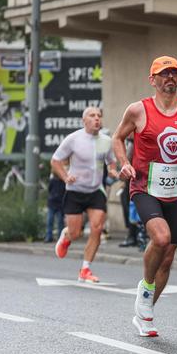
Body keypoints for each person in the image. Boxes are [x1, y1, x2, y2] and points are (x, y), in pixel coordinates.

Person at [112, 56, 177, 337]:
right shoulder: (138, 110)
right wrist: (124, 162)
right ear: (153, 79)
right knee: (160, 237)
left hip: (175, 191)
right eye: (164, 74)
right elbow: (117, 138)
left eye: (174, 74)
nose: (170, 78)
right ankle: (146, 287)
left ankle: (145, 316)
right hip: (144, 186)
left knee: (168, 257)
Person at [51, 107, 117, 283]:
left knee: (96, 228)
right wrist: (66, 176)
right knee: (76, 233)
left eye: (99, 116)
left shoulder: (106, 141)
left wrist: (112, 171)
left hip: (96, 190)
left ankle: (85, 269)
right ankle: (66, 235)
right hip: (75, 191)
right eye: (92, 116)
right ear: (84, 120)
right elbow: (55, 161)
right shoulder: (73, 139)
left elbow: (111, 161)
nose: (97, 119)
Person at [44, 172, 65, 243]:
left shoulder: (61, 181)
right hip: (55, 203)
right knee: (53, 221)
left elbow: (49, 190)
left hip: (57, 203)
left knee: (58, 222)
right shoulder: (54, 181)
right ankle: (50, 237)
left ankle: (57, 237)